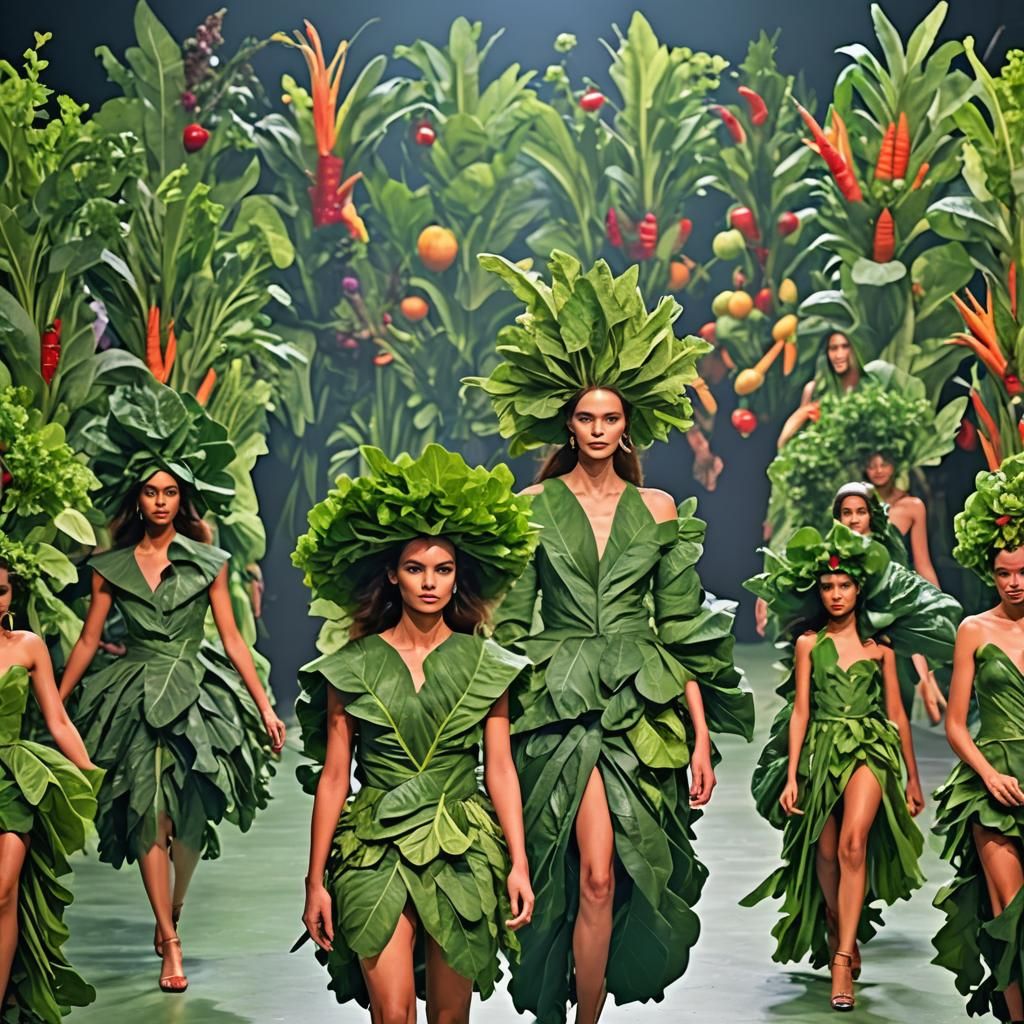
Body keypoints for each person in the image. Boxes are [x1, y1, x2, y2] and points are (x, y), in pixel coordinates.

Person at [467, 251, 754, 1023]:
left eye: (611, 419)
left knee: (613, 877)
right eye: (587, 418)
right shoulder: (531, 504)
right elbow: (512, 623)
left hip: (640, 700)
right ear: (569, 423)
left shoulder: (658, 509)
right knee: (581, 872)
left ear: (629, 426)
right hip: (555, 700)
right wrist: (487, 717)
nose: (598, 430)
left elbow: (680, 628)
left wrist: (700, 737)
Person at [292, 444, 537, 1020]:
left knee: (450, 1017)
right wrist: (314, 881)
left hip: (462, 839)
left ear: (457, 578)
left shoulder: (487, 664)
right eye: (415, 568)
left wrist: (519, 863)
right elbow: (334, 777)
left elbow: (500, 769)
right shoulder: (350, 667)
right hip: (374, 841)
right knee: (393, 1014)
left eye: (443, 570)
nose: (429, 583)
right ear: (392, 575)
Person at [58, 382, 285, 993]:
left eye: (170, 492)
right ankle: (169, 938)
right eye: (151, 491)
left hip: (198, 688)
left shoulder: (208, 562)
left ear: (182, 499)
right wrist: (57, 700)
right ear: (137, 498)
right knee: (146, 812)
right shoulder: (111, 567)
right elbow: (89, 640)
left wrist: (265, 706)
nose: (160, 501)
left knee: (191, 816)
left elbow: (233, 638)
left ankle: (174, 906)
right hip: (131, 691)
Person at [742, 523, 925, 1012]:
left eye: (844, 585)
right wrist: (790, 775)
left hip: (868, 746)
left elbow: (897, 714)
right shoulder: (808, 644)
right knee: (825, 853)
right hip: (821, 748)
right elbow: (800, 711)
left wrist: (912, 776)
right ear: (818, 591)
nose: (836, 594)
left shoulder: (880, 649)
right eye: (827, 586)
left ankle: (842, 958)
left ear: (860, 589)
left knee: (852, 843)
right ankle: (835, 919)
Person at [932, 453, 1024, 1021]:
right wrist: (988, 775)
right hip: (991, 784)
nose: (1014, 583)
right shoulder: (974, 629)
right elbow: (955, 723)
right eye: (1004, 573)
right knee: (1008, 910)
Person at [0, 550, 102, 1023]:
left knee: (4, 891)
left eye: (1, 590)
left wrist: (87, 771)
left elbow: (57, 720)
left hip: (13, 778)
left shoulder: (28, 646)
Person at [833, 481, 960, 722]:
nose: (854, 519)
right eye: (847, 513)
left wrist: (926, 675)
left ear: (872, 515)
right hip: (846, 652)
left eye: (861, 512)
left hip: (889, 649)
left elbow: (906, 616)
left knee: (895, 718)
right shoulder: (831, 556)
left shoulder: (889, 562)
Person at [863, 452, 940, 585]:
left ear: (894, 466)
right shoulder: (857, 507)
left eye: (884, 464)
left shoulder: (913, 506)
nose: (878, 470)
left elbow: (923, 563)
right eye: (872, 466)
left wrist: (938, 596)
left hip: (902, 587)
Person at [775, 332, 860, 450]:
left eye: (845, 347)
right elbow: (800, 422)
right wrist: (783, 444)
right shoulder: (814, 389)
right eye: (833, 348)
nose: (839, 355)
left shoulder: (867, 385)